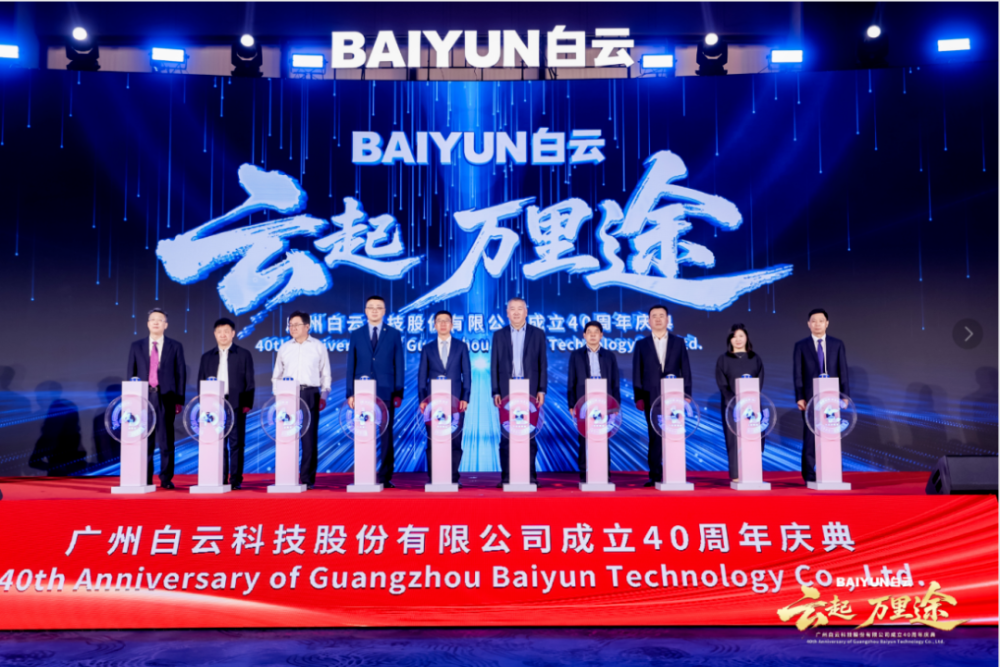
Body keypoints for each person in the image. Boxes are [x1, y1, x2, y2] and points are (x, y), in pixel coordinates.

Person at [346, 296, 404, 488]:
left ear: (384, 311)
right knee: (363, 432)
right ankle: (364, 473)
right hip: (362, 393)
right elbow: (351, 365)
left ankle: (385, 476)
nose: (374, 310)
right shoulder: (356, 334)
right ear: (365, 311)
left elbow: (399, 364)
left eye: (379, 307)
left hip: (386, 391)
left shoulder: (393, 334)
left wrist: (398, 392)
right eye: (371, 307)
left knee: (386, 435)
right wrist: (350, 393)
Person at [632, 304, 692, 487]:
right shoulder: (641, 344)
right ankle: (655, 475)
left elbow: (685, 369)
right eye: (654, 316)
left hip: (674, 397)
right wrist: (639, 397)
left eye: (661, 316)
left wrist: (687, 394)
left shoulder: (679, 342)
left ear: (667, 319)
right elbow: (637, 372)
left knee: (674, 433)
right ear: (648, 321)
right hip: (651, 396)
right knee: (655, 435)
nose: (658, 319)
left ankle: (675, 472)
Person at [490, 297, 548, 487]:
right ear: (507, 313)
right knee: (507, 436)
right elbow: (494, 365)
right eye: (512, 309)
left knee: (529, 436)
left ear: (526, 312)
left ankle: (530, 476)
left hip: (529, 391)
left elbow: (542, 364)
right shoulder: (499, 335)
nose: (516, 312)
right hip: (507, 392)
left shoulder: (537, 334)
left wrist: (541, 389)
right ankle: (507, 477)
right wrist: (495, 391)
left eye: (520, 309)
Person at [126, 308, 186, 489]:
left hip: (166, 397)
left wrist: (179, 399)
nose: (156, 322)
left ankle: (166, 478)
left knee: (166, 439)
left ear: (165, 325)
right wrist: (131, 399)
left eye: (160, 320)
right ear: (147, 324)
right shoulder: (136, 346)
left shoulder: (175, 346)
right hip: (143, 397)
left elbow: (180, 373)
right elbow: (131, 373)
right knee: (145, 439)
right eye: (153, 319)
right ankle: (145, 478)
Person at [272, 311, 330, 490]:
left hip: (309, 393)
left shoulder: (318, 346)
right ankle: (286, 476)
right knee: (287, 437)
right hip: (287, 396)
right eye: (290, 325)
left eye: (296, 325)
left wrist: (324, 395)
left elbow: (325, 374)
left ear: (307, 326)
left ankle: (306, 479)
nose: (293, 328)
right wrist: (278, 396)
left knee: (309, 439)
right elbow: (276, 375)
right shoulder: (284, 348)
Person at [197, 318, 255, 490]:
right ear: (215, 334)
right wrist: (204, 405)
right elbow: (201, 381)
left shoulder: (244, 354)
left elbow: (250, 381)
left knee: (236, 443)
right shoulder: (207, 357)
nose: (223, 335)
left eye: (226, 331)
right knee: (217, 442)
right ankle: (220, 477)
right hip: (214, 405)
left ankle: (235, 480)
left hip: (236, 403)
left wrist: (247, 403)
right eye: (219, 332)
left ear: (233, 333)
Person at [793, 308, 850, 483]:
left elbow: (843, 370)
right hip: (810, 398)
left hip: (832, 398)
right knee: (810, 436)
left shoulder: (837, 344)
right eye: (814, 321)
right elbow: (797, 373)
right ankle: (809, 475)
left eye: (821, 320)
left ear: (827, 323)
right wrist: (800, 396)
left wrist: (845, 395)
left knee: (831, 433)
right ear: (808, 324)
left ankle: (832, 472)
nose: (817, 324)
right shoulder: (801, 345)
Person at [417, 310, 471, 486]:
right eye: (439, 321)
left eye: (446, 321)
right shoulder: (427, 348)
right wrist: (423, 400)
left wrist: (465, 397)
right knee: (434, 439)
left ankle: (453, 477)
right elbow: (422, 377)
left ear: (452, 324)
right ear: (434, 325)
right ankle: (435, 477)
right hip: (433, 404)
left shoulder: (461, 347)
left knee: (455, 440)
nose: (442, 324)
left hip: (455, 402)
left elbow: (467, 375)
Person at [567, 321, 621, 481]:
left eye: (596, 332)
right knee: (584, 438)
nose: (592, 335)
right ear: (584, 335)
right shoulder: (576, 355)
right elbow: (571, 381)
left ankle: (604, 473)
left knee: (602, 438)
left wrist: (615, 405)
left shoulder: (609, 356)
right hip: (583, 403)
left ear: (601, 335)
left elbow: (615, 382)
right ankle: (585, 473)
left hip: (604, 403)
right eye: (589, 332)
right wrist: (572, 404)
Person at [715, 324, 765, 482]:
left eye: (741, 336)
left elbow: (759, 380)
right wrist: (734, 401)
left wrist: (750, 399)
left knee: (755, 436)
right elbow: (722, 384)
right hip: (731, 406)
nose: (738, 339)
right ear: (730, 339)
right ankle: (736, 474)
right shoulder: (723, 359)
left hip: (752, 404)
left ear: (747, 338)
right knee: (733, 439)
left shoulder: (755, 358)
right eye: (734, 336)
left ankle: (753, 470)